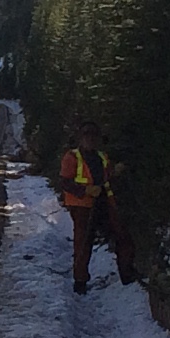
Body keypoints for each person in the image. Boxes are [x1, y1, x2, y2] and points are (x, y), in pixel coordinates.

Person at [54, 119, 140, 294]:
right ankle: (80, 282)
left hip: (104, 203)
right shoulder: (72, 157)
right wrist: (85, 190)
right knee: (83, 243)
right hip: (82, 206)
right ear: (80, 138)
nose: (90, 139)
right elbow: (65, 182)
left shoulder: (102, 157)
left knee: (122, 236)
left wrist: (115, 172)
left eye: (94, 135)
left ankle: (127, 274)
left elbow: (107, 179)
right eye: (87, 135)